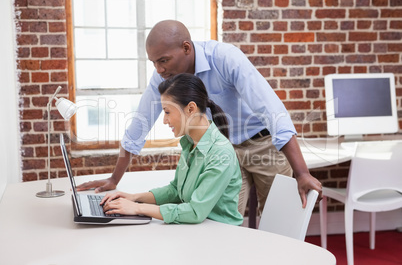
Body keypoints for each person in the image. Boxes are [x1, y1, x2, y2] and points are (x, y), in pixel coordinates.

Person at [77, 20, 322, 216]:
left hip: (263, 144)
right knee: (221, 220)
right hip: (223, 150)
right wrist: (114, 179)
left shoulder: (225, 58)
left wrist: (301, 172)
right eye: (154, 63)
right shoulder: (164, 76)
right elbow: (139, 124)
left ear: (186, 48)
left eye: (163, 60)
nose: (159, 69)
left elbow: (273, 111)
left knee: (276, 221)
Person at [100, 73, 243, 225]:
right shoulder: (190, 142)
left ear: (190, 109)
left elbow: (195, 212)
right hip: (198, 230)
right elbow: (176, 190)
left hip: (220, 235)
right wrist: (135, 198)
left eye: (167, 112)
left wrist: (137, 208)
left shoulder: (221, 153)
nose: (164, 120)